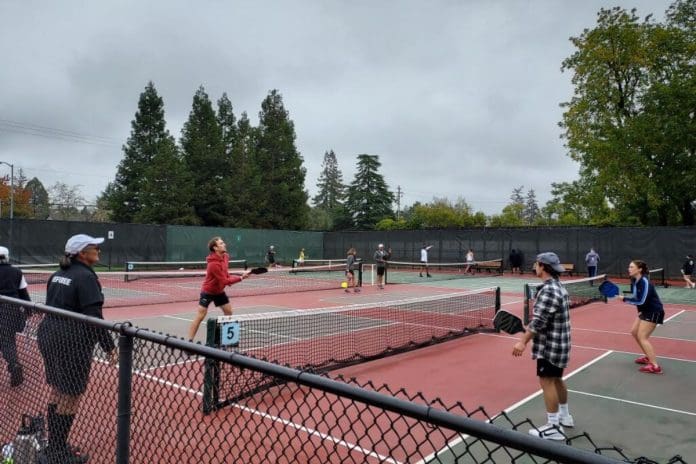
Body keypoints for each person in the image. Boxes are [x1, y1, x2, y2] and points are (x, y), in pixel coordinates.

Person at [37, 234, 117, 463]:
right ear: (83, 254)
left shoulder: (58, 274)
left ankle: (54, 447)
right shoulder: (85, 278)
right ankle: (58, 451)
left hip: (48, 336)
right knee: (70, 395)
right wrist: (109, 347)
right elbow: (94, 318)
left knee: (58, 390)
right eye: (95, 248)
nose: (99, 252)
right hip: (71, 342)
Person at [512, 252, 573, 441]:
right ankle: (565, 416)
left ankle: (553, 427)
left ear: (543, 266)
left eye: (536, 264)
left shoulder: (548, 291)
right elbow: (545, 321)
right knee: (556, 379)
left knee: (547, 381)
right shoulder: (558, 286)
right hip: (560, 343)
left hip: (550, 346)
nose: (534, 266)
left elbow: (538, 322)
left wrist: (523, 341)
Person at [187, 237, 252, 341]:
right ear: (215, 248)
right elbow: (225, 281)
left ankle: (226, 339)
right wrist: (241, 278)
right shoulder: (213, 264)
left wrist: (240, 275)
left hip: (219, 292)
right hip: (208, 292)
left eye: (223, 242)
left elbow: (226, 274)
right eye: (221, 243)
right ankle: (189, 343)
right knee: (200, 316)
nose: (224, 244)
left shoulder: (226, 256)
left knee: (229, 312)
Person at [615, 260, 665, 374]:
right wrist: (638, 310)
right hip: (645, 310)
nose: (629, 269)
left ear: (639, 269)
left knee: (642, 337)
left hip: (654, 311)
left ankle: (655, 366)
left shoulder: (644, 281)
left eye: (631, 267)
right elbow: (635, 296)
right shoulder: (634, 280)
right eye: (629, 266)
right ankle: (648, 357)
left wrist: (624, 299)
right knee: (634, 332)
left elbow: (641, 300)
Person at [0, 246, 31, 387]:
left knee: (5, 341)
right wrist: (29, 310)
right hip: (11, 311)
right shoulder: (16, 272)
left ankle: (13, 364)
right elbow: (23, 293)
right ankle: (14, 364)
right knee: (8, 340)